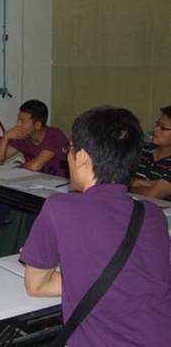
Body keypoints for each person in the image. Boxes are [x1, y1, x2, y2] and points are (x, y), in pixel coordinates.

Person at [20, 106, 171, 346]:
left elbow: (36, 286)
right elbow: (143, 278)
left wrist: (76, 270)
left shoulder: (60, 208)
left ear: (82, 157)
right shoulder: (152, 215)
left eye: (70, 149)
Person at [0, 100, 69, 252]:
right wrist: (6, 137)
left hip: (57, 193)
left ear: (38, 125)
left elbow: (35, 166)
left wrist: (20, 166)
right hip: (34, 188)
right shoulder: (25, 138)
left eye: (23, 121)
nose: (18, 125)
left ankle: (36, 255)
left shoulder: (54, 135)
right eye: (18, 120)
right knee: (1, 199)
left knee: (34, 219)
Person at [130, 105, 171, 201]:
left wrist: (137, 183)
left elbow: (152, 195)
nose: (155, 130)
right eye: (157, 125)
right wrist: (153, 183)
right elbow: (117, 181)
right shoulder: (143, 150)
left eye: (163, 128)